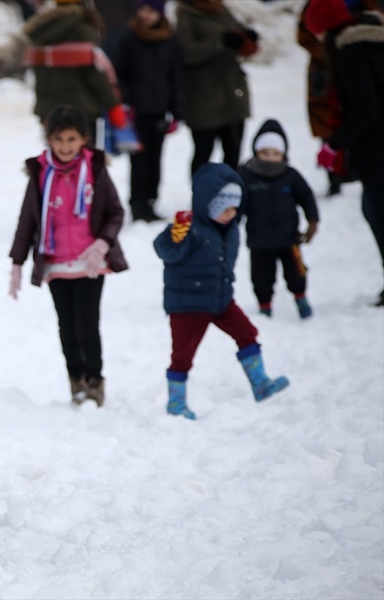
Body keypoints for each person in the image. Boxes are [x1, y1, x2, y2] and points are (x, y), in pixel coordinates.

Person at [8, 106, 128, 407]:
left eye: (71, 139)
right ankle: (76, 381)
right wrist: (17, 263)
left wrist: (102, 243)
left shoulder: (95, 170)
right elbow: (27, 220)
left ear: (84, 139)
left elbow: (115, 211)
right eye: (59, 139)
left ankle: (94, 381)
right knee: (67, 327)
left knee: (87, 324)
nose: (65, 146)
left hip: (91, 262)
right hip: (56, 263)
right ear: (49, 139)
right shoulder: (39, 174)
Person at [153, 163, 289, 420]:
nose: (231, 213)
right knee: (182, 355)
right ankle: (176, 403)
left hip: (220, 299)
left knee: (248, 333)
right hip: (189, 303)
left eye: (235, 207)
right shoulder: (190, 229)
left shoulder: (230, 230)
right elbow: (165, 251)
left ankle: (260, 383)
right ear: (208, 204)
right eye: (224, 208)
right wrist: (174, 235)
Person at [304, 0, 384, 307]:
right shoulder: (373, 40)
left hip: (377, 151)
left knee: (377, 212)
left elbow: (366, 109)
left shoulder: (351, 54)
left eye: (317, 33)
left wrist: (334, 143)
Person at [238, 119, 320, 319]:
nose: (270, 158)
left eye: (275, 154)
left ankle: (300, 297)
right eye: (265, 153)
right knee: (261, 277)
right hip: (259, 240)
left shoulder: (290, 175)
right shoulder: (247, 176)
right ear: (256, 152)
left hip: (289, 238)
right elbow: (238, 203)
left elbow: (306, 196)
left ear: (283, 154)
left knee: (296, 272)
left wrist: (312, 221)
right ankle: (264, 304)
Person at [114, 0, 185, 222]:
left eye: (150, 10)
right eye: (142, 9)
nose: (145, 15)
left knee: (155, 160)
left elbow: (177, 77)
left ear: (160, 13)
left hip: (160, 112)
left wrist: (177, 111)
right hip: (136, 113)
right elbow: (118, 74)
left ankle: (151, 202)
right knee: (139, 162)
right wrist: (125, 103)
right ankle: (137, 205)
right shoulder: (128, 38)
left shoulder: (170, 39)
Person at [176, 0, 257, 176]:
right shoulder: (187, 17)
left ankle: (231, 197)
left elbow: (236, 33)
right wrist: (218, 42)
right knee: (203, 152)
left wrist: (246, 38)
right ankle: (201, 195)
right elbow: (186, 53)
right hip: (203, 98)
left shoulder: (222, 10)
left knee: (233, 151)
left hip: (232, 95)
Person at [22, 0, 121, 135]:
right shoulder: (82, 29)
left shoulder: (40, 30)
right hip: (82, 111)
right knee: (85, 155)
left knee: (57, 154)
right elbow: (94, 74)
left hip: (49, 111)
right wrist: (112, 104)